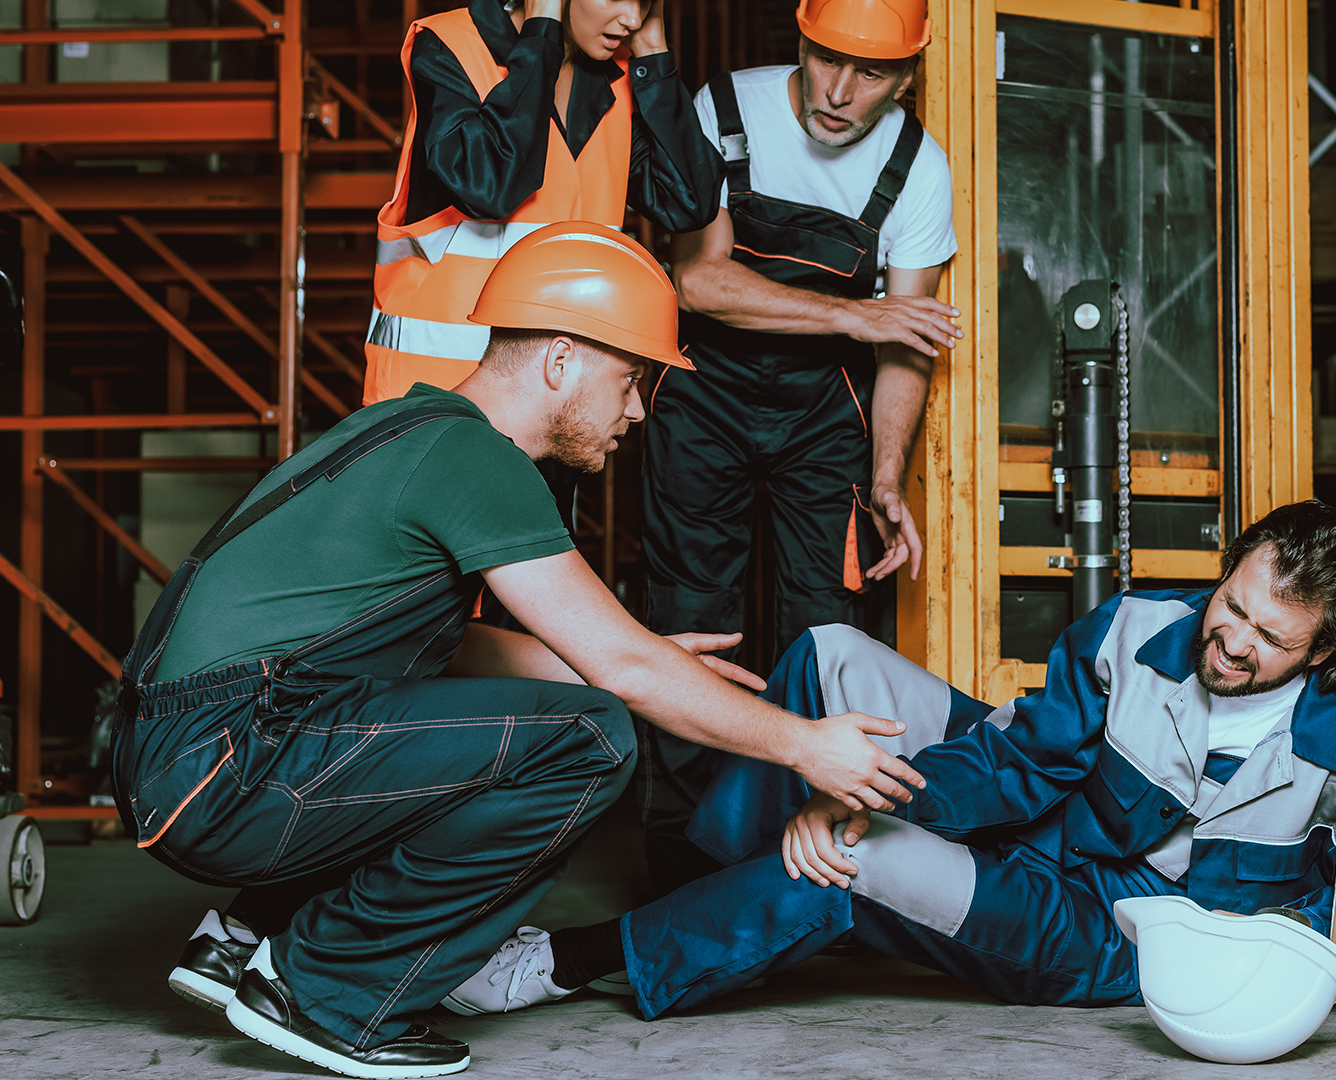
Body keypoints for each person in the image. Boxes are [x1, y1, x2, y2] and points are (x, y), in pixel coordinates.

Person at [115, 223, 925, 1080]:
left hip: (190, 755)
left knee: (542, 710)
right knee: (591, 736)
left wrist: (645, 658)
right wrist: (803, 743)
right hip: (225, 763)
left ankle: (258, 941)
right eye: (633, 381)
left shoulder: (416, 430)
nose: (639, 411)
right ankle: (322, 989)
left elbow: (447, 647)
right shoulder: (477, 460)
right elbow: (625, 676)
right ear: (562, 359)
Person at [444, 500, 1336, 1018]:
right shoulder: (1143, 629)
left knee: (854, 855)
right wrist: (851, 781)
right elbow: (1021, 761)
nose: (1228, 641)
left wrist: (852, 813)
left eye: (1267, 640)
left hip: (1100, 932)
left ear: (1321, 652)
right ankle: (719, 894)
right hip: (1037, 822)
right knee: (831, 654)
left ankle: (574, 959)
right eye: (1230, 604)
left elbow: (1333, 901)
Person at [637, 0, 962, 896]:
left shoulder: (917, 169)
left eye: (869, 73)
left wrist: (887, 473)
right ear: (803, 43)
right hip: (699, 398)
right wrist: (855, 313)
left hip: (828, 416)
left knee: (827, 634)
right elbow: (698, 281)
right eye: (826, 59)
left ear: (905, 79)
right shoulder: (723, 112)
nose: (837, 89)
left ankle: (810, 858)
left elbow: (907, 342)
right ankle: (681, 865)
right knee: (691, 619)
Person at [365, 0, 720, 406]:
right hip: (430, 397)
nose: (633, 19)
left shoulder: (615, 77)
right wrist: (543, 30)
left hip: (552, 403)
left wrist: (654, 54)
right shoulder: (451, 45)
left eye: (645, 2)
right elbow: (491, 186)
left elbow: (689, 202)